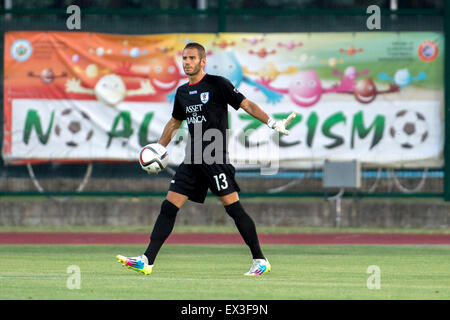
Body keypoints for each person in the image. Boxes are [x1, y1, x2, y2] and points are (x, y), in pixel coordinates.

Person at [117, 42, 295, 276]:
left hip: (215, 158)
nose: (187, 62)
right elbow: (175, 122)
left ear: (203, 62)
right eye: (184, 58)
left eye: (192, 58)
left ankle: (260, 260)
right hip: (192, 160)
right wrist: (159, 149)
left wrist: (272, 122)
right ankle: (147, 259)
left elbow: (247, 104)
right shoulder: (182, 93)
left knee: (234, 209)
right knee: (168, 207)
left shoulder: (218, 84)